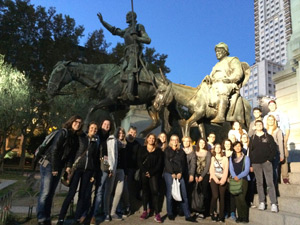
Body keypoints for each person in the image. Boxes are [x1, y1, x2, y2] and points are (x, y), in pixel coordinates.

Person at [37, 115, 83, 225]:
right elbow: (54, 150)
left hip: (58, 167)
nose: (77, 124)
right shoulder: (63, 133)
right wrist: (54, 168)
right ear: (71, 122)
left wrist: (68, 166)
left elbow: (71, 155)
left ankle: (47, 217)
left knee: (51, 193)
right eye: (76, 121)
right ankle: (41, 218)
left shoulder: (75, 138)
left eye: (80, 123)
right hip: (48, 164)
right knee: (45, 192)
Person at [97, 11, 151, 101]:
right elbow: (114, 31)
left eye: (128, 15)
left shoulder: (138, 26)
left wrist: (137, 38)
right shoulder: (126, 30)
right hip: (126, 54)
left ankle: (129, 93)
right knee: (117, 71)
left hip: (135, 52)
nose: (126, 16)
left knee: (130, 71)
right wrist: (103, 22)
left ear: (133, 17)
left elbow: (148, 40)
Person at [56, 121, 99, 225]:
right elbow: (73, 152)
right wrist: (69, 166)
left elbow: (95, 159)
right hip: (77, 169)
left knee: (82, 195)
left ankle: (76, 218)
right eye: (92, 128)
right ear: (88, 128)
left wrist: (93, 174)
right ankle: (61, 218)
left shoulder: (95, 142)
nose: (93, 130)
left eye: (95, 129)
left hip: (88, 170)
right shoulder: (81, 137)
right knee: (71, 194)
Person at [203, 42, 244, 123]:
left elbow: (238, 73)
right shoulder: (216, 65)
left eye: (219, 51)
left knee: (222, 88)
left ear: (225, 51)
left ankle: (220, 116)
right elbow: (212, 76)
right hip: (215, 84)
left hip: (228, 84)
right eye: (216, 52)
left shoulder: (232, 60)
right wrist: (208, 78)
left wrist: (229, 79)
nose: (217, 53)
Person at [163, 135, 196, 222]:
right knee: (170, 194)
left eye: (176, 140)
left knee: (184, 194)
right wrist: (172, 173)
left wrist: (180, 173)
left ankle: (187, 215)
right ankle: (170, 213)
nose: (174, 141)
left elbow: (183, 164)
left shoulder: (181, 151)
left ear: (178, 141)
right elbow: (167, 162)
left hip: (179, 174)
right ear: (170, 141)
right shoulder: (167, 150)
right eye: (173, 140)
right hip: (169, 173)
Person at [249, 120, 278, 213]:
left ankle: (273, 203)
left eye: (260, 124)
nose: (258, 126)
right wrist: (251, 163)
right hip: (256, 163)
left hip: (266, 163)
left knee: (270, 182)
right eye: (256, 125)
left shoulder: (268, 136)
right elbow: (250, 151)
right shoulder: (252, 137)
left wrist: (269, 159)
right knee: (259, 183)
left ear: (262, 125)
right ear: (255, 126)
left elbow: (274, 149)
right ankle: (262, 202)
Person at [263, 100, 290, 184]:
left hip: (281, 137)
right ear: (268, 107)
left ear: (276, 105)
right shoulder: (265, 117)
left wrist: (285, 139)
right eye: (270, 105)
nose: (272, 106)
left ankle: (285, 177)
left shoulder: (282, 115)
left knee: (283, 156)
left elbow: (287, 128)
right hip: (270, 140)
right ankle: (276, 179)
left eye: (273, 105)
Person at [138, 133, 163, 223]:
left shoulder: (158, 151)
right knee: (145, 191)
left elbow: (159, 164)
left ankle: (157, 213)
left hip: (154, 174)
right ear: (147, 139)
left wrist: (151, 172)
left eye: (153, 138)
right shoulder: (142, 149)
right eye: (150, 138)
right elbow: (139, 161)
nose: (151, 140)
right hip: (144, 173)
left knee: (155, 192)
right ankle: (145, 210)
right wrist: (145, 171)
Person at [90, 119, 112, 224]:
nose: (106, 126)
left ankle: (93, 215)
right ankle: (84, 213)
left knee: (99, 191)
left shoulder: (111, 138)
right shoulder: (95, 134)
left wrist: (108, 168)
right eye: (105, 124)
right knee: (88, 190)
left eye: (108, 124)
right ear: (101, 125)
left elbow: (109, 155)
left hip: (103, 166)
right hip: (92, 166)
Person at [103, 127, 127, 221]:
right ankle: (106, 213)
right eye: (119, 133)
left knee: (119, 191)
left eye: (123, 133)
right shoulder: (112, 141)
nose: (121, 134)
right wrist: (109, 168)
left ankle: (113, 212)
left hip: (121, 170)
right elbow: (107, 154)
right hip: (112, 169)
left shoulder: (125, 144)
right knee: (108, 191)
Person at [121, 126, 141, 216]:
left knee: (130, 188)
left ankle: (129, 207)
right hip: (123, 169)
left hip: (133, 170)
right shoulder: (123, 142)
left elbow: (139, 158)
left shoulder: (137, 144)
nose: (132, 134)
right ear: (128, 132)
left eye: (134, 133)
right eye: (131, 132)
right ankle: (126, 207)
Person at [229, 141, 250, 223]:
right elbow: (231, 169)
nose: (237, 147)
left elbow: (246, 170)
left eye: (239, 146)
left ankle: (245, 216)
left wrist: (238, 176)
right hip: (235, 180)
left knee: (242, 198)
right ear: (233, 148)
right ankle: (240, 216)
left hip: (243, 179)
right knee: (237, 199)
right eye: (235, 146)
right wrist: (234, 176)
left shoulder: (246, 158)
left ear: (241, 147)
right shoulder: (231, 158)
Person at [209, 143, 229, 223]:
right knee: (215, 195)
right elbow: (211, 170)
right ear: (214, 149)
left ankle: (221, 216)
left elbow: (226, 170)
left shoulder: (225, 158)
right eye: (216, 147)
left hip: (222, 179)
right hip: (214, 178)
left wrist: (223, 179)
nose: (217, 149)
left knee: (222, 197)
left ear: (221, 149)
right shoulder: (212, 158)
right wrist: (215, 178)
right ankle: (212, 212)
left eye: (219, 147)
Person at [266, 115, 284, 195]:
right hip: (266, 154)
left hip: (275, 153)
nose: (270, 121)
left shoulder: (278, 130)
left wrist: (282, 155)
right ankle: (268, 190)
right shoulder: (265, 130)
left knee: (274, 172)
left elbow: (280, 143)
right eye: (269, 119)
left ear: (274, 121)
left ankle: (275, 191)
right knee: (267, 173)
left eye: (272, 119)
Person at [194, 138, 211, 218]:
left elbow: (207, 166)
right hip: (196, 174)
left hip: (205, 175)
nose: (202, 144)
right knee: (197, 192)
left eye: (203, 143)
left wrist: (202, 176)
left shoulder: (208, 153)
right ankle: (197, 209)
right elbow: (193, 165)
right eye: (200, 142)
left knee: (205, 192)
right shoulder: (195, 152)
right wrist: (195, 176)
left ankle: (204, 211)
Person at [222, 139, 236, 220]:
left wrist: (230, 176)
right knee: (225, 195)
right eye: (226, 143)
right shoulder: (221, 153)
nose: (227, 145)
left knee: (232, 195)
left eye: (229, 144)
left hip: (231, 176)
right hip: (223, 176)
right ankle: (226, 211)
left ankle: (232, 212)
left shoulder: (233, 154)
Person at [181, 136, 196, 208]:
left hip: (188, 174)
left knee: (188, 192)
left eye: (187, 141)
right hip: (180, 174)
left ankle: (188, 208)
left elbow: (193, 164)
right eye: (184, 141)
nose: (186, 143)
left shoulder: (192, 152)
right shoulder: (180, 151)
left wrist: (191, 174)